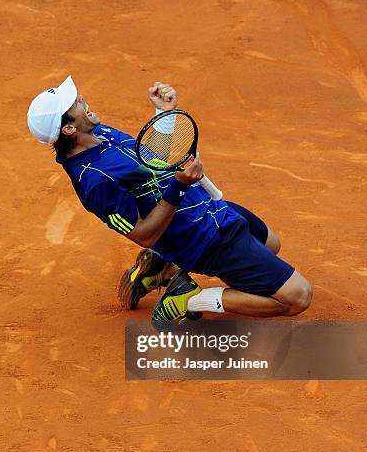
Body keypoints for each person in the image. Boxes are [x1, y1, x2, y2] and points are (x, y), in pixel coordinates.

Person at [27, 76, 312, 327]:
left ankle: (163, 266)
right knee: (297, 297)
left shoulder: (97, 135)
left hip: (211, 212)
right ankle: (189, 299)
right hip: (202, 240)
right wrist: (179, 185)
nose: (81, 99)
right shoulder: (95, 182)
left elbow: (149, 162)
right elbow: (143, 234)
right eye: (74, 103)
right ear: (68, 129)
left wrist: (166, 114)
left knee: (271, 245)